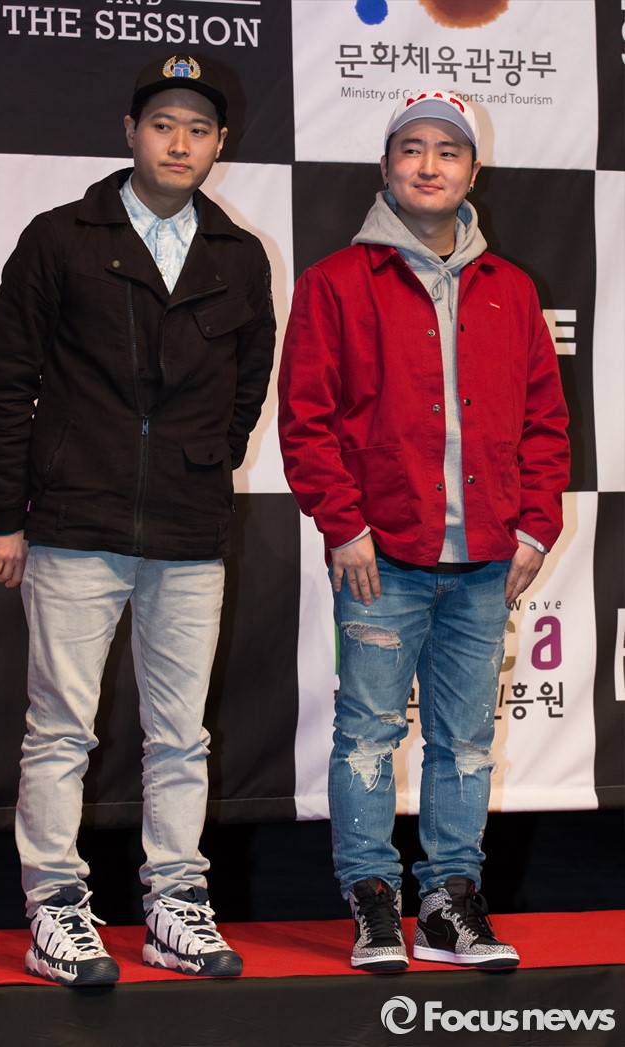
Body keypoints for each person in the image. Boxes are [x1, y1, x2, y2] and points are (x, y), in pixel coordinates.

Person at [0, 52, 275, 985]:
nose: (179, 142)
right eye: (162, 124)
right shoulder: (59, 236)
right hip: (73, 522)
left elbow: (245, 391)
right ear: (130, 134)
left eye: (198, 129)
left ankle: (175, 904)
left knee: (182, 735)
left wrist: (197, 467)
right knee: (62, 729)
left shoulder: (238, 255)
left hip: (188, 531)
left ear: (220, 144)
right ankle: (55, 908)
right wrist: (11, 514)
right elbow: (4, 380)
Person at [278, 91, 569, 973]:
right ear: (385, 166)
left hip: (485, 560)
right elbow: (306, 419)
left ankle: (449, 903)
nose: (429, 164)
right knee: (368, 734)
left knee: (466, 742)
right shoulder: (334, 282)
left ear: (473, 171)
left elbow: (545, 421)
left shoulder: (512, 289)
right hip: (381, 558)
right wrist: (344, 525)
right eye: (412, 148)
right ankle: (373, 900)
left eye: (448, 149)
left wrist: (535, 526)